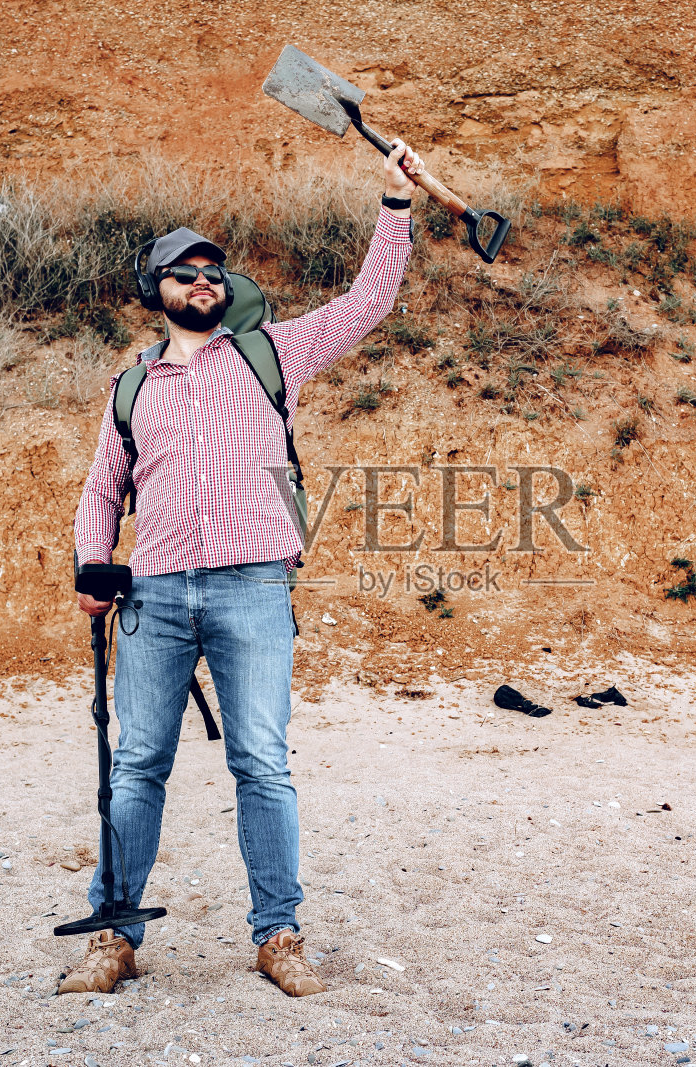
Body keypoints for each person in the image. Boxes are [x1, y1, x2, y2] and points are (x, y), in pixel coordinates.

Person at [59, 140, 423, 997]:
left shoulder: (274, 353)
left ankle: (279, 935)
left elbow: (369, 300)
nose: (203, 280)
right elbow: (103, 486)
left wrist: (394, 204)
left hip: (255, 586)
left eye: (212, 271)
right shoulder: (131, 386)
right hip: (153, 597)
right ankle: (113, 935)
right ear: (156, 290)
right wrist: (92, 563)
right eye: (184, 272)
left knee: (262, 762)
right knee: (136, 765)